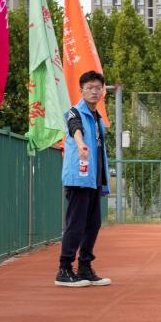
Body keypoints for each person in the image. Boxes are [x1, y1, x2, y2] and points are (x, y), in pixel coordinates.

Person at [57, 70, 112, 288]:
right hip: (79, 178)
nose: (94, 91)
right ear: (81, 90)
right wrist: (81, 145)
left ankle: (85, 267)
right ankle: (64, 269)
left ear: (103, 91)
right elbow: (75, 130)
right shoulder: (75, 112)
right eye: (89, 88)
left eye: (98, 88)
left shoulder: (98, 118)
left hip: (94, 179)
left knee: (93, 224)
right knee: (76, 224)